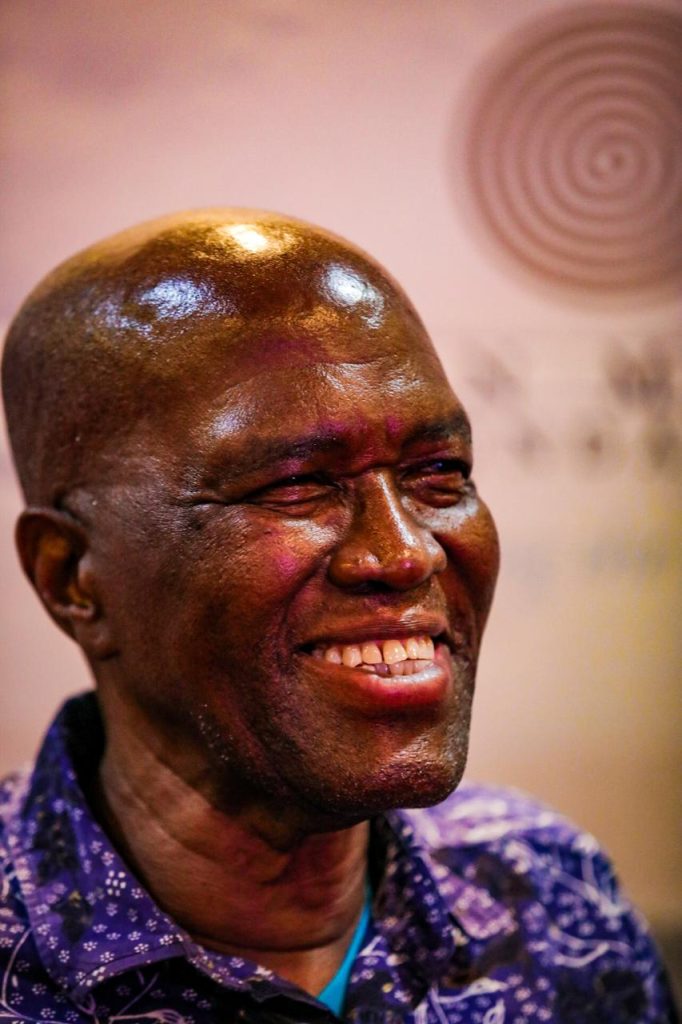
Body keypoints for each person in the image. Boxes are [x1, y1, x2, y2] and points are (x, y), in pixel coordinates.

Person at [0, 210, 676, 1024]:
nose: (405, 554)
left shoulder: (548, 894)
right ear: (72, 576)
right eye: (294, 485)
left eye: (438, 472)